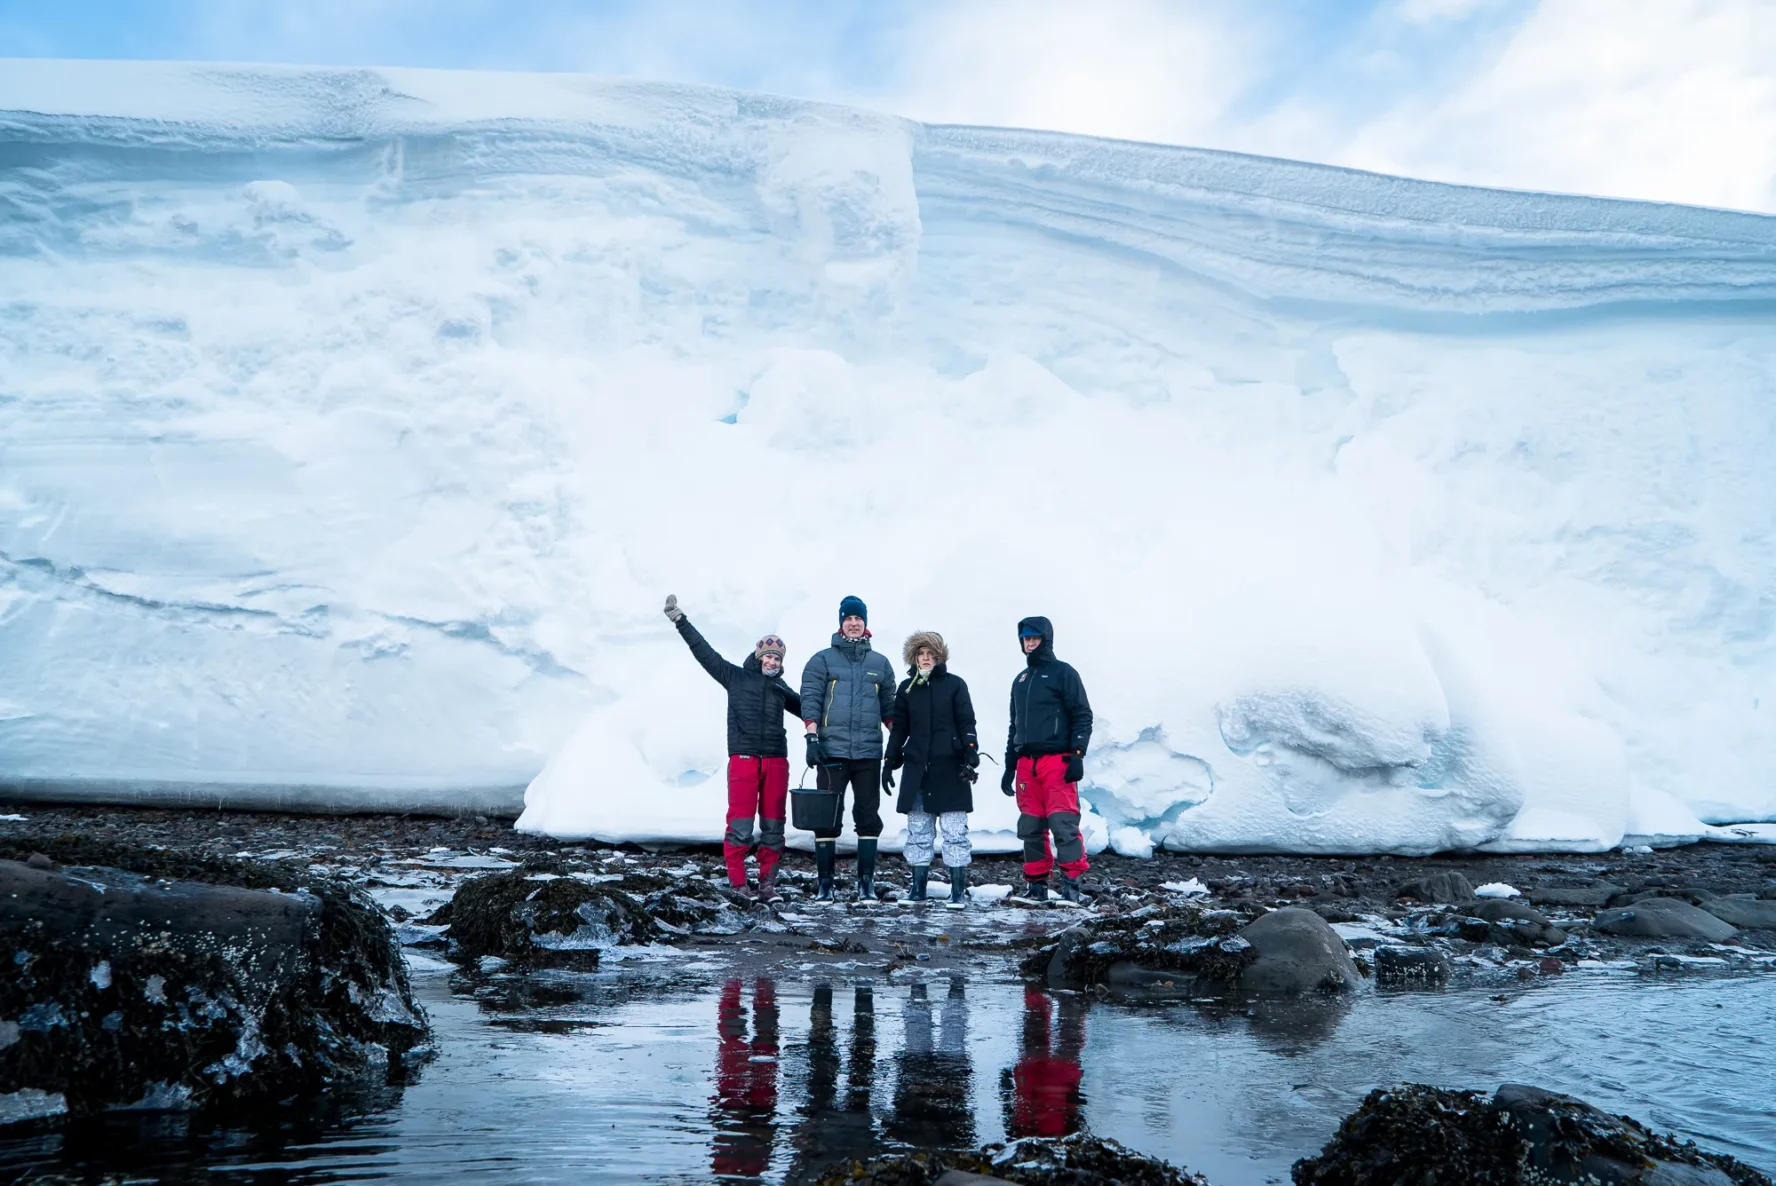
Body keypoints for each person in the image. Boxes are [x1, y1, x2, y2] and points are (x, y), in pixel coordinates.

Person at [665, 594, 801, 900]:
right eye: (768, 656)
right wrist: (680, 621)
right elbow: (704, 652)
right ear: (758, 655)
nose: (772, 661)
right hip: (743, 759)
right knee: (740, 824)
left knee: (773, 826)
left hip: (777, 761)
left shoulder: (780, 688)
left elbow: (809, 709)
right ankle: (739, 884)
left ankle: (767, 884)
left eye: (777, 658)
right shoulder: (735, 677)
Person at [799, 595, 896, 903]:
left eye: (858, 619)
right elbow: (810, 699)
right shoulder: (822, 660)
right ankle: (825, 884)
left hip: (868, 753)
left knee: (868, 816)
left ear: (865, 624)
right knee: (826, 818)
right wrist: (812, 738)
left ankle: (865, 884)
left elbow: (890, 708)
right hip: (831, 753)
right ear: (841, 622)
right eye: (848, 618)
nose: (854, 623)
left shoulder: (880, 663)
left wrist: (897, 743)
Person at [883, 631, 979, 908]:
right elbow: (899, 728)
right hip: (917, 769)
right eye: (920, 654)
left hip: (951, 766)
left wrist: (971, 750)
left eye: (930, 654)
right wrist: (889, 761)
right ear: (914, 657)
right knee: (918, 831)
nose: (925, 658)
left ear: (939, 656)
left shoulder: (955, 685)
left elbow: (967, 721)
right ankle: (917, 889)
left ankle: (958, 891)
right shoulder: (906, 688)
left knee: (954, 832)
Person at [1001, 616, 1094, 903]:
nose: (1030, 643)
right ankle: (1037, 886)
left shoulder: (1063, 673)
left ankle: (1071, 885)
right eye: (1025, 639)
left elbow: (1082, 716)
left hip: (1057, 760)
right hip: (1027, 764)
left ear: (1046, 640)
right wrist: (1009, 765)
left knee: (1063, 823)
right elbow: (1014, 725)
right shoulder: (1020, 680)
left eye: (1035, 638)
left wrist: (1077, 754)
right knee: (1030, 827)